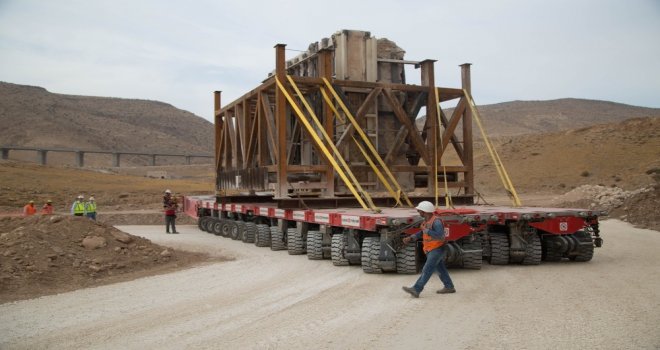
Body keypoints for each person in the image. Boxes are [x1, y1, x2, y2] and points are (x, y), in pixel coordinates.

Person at [402, 201, 455, 298]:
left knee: (427, 269)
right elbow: (423, 232)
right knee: (441, 269)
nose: (419, 212)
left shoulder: (437, 222)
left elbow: (440, 236)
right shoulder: (427, 220)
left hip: (437, 249)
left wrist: (426, 230)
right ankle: (449, 287)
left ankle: (416, 289)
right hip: (431, 249)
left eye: (420, 211)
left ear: (425, 211)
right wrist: (411, 237)